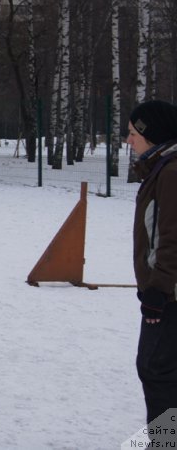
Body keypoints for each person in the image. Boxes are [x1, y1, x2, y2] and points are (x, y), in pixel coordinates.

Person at [128, 99, 177, 426]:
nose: (128, 139)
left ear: (151, 135)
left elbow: (170, 238)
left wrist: (157, 291)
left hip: (168, 294)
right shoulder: (164, 167)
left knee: (155, 369)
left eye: (133, 133)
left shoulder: (170, 173)